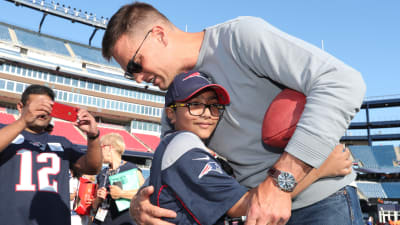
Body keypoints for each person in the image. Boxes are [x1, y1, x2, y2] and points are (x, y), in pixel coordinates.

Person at [102, 2, 366, 225]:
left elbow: (343, 82)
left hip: (322, 205)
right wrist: (139, 201)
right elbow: (173, 168)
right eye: (129, 72)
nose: (137, 79)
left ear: (158, 35)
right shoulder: (175, 100)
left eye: (136, 64)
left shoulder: (239, 38)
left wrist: (279, 184)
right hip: (257, 213)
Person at [147, 71, 353, 225]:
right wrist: (319, 170)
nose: (207, 113)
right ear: (171, 114)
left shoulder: (172, 148)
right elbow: (251, 206)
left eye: (213, 105)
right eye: (195, 104)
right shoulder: (185, 148)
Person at [0, 84, 102, 225]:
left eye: (48, 108)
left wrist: (93, 136)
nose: (42, 112)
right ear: (20, 107)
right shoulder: (5, 133)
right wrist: (23, 121)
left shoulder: (62, 143)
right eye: (37, 107)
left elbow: (92, 168)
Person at [92, 133, 145, 225]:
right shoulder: (102, 173)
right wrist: (98, 199)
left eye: (101, 147)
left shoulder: (131, 169)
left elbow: (144, 195)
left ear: (109, 148)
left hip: (123, 221)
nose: (99, 151)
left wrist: (121, 193)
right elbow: (94, 206)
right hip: (100, 220)